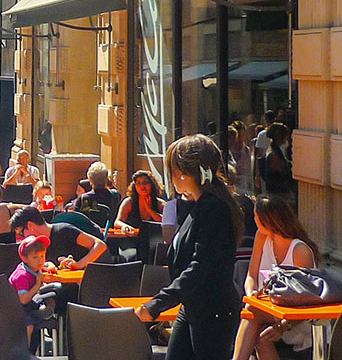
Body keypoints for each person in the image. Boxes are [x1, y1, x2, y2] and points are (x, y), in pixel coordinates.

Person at [135, 134, 245, 360]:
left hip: (212, 311)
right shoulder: (198, 205)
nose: (171, 178)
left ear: (184, 173)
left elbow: (200, 267)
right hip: (194, 306)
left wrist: (158, 304)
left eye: (172, 171)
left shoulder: (213, 208)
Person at [232, 196, 320, 360]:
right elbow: (251, 275)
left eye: (256, 217)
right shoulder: (261, 237)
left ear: (267, 221)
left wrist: (282, 325)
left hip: (296, 319)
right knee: (260, 333)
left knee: (252, 312)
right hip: (269, 310)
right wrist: (252, 294)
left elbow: (306, 302)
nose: (254, 220)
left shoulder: (300, 251)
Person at [10, 206, 107, 313]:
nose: (22, 238)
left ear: (30, 225)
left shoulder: (64, 231)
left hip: (87, 286)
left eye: (21, 233)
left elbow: (100, 245)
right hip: (65, 286)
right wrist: (47, 265)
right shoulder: (36, 245)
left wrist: (79, 264)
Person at [8, 235, 56, 341]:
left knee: (52, 297)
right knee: (28, 325)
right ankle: (26, 348)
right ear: (24, 258)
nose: (40, 261)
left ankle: (43, 311)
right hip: (16, 307)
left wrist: (51, 266)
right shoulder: (22, 276)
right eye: (35, 257)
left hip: (29, 303)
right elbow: (23, 300)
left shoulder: (34, 266)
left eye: (42, 256)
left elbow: (47, 264)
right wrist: (38, 284)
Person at [261, 123, 294, 200]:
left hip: (277, 191)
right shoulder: (274, 154)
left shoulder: (275, 151)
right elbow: (277, 174)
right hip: (278, 192)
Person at [227, 124, 254, 196]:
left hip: (242, 187)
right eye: (237, 136)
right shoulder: (226, 153)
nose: (239, 139)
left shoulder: (246, 150)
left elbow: (248, 173)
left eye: (242, 135)